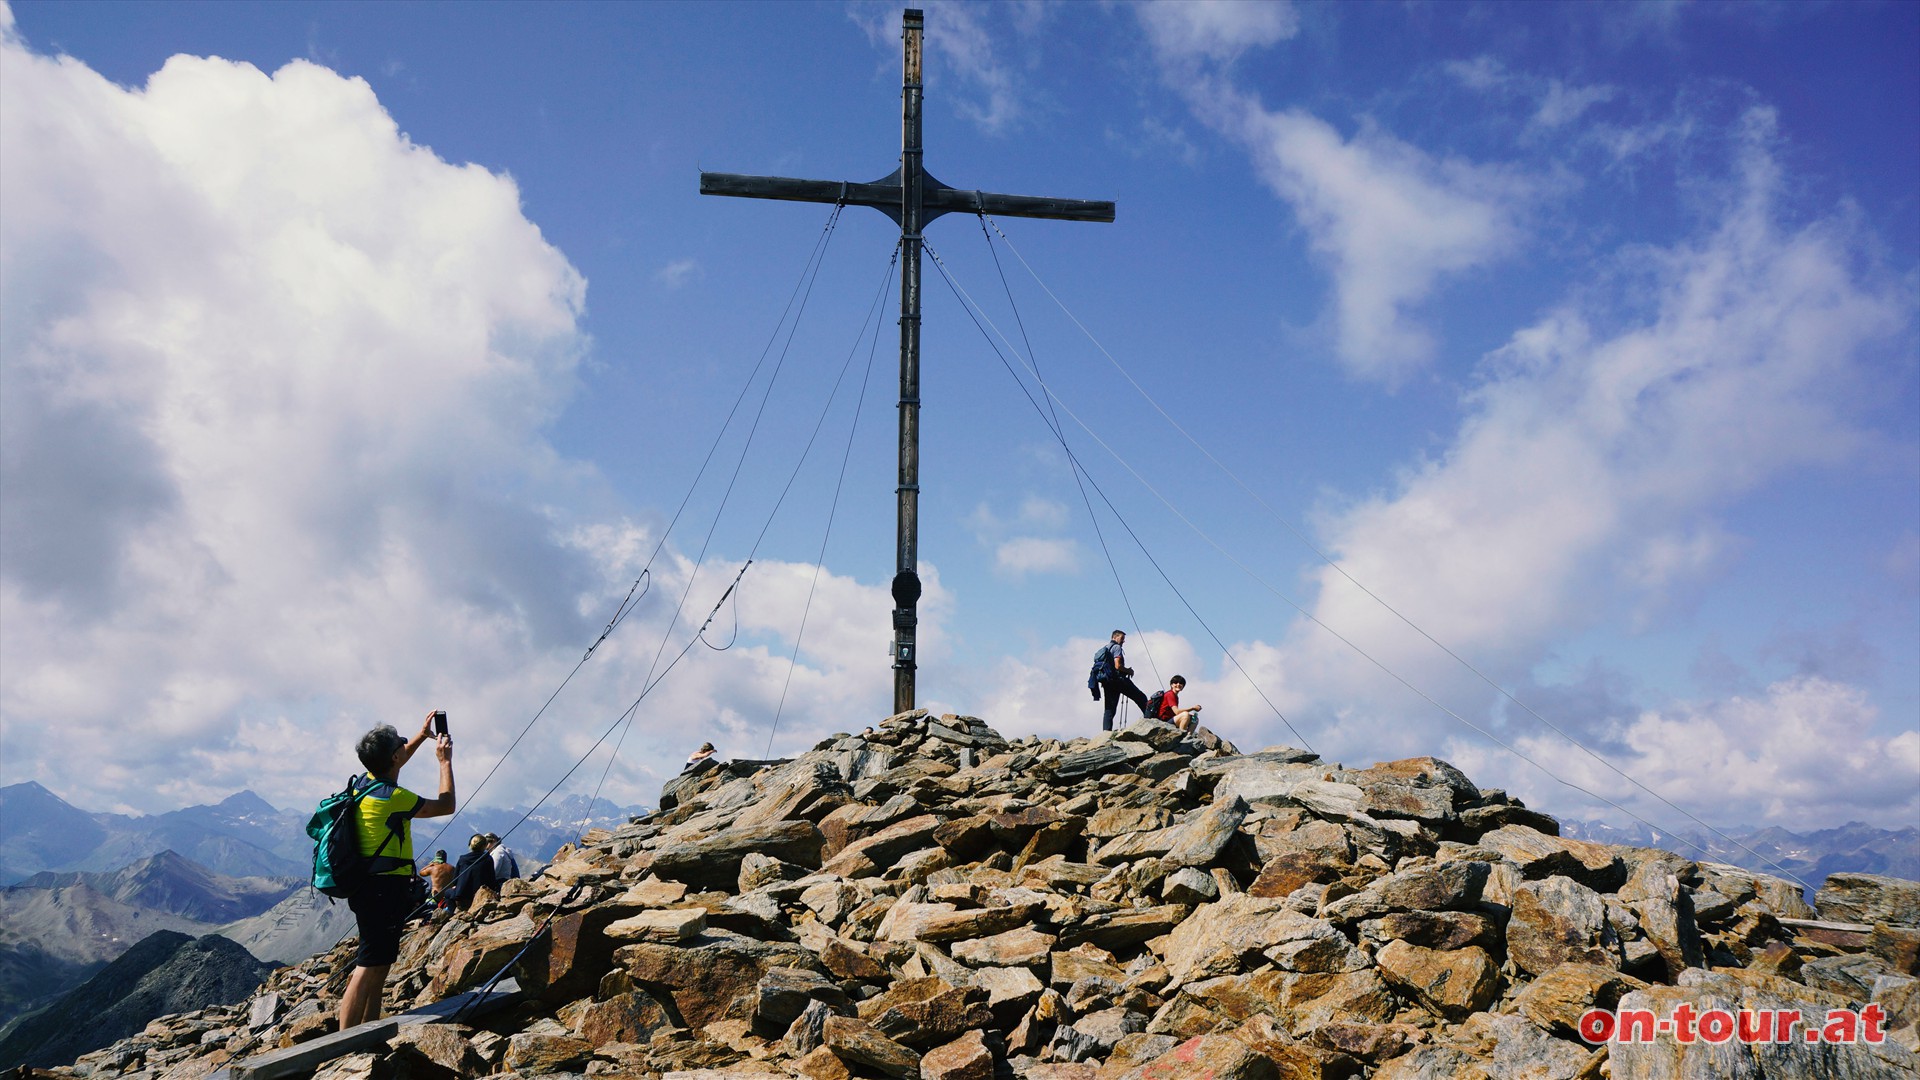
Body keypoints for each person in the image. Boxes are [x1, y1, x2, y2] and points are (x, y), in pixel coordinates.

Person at [338, 712, 454, 1033]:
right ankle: (341, 1043)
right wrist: (444, 761)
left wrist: (419, 736)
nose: (405, 746)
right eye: (400, 745)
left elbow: (394, 761)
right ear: (392, 757)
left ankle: (369, 1031)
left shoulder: (364, 783)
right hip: (383, 889)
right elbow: (446, 805)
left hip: (369, 886)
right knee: (367, 965)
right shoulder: (394, 798)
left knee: (380, 962)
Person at [1095, 629, 1151, 732]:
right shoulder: (1116, 647)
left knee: (1109, 709)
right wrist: (1128, 671)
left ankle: (1106, 733)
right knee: (1141, 698)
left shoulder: (1106, 648)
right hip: (1119, 680)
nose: (1123, 641)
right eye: (1122, 638)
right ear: (1115, 637)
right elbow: (1118, 665)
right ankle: (1151, 722)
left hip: (1107, 682)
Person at [452, 833, 498, 911]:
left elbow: (455, 880)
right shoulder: (487, 858)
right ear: (484, 845)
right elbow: (492, 879)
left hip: (462, 897)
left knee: (447, 893)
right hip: (480, 895)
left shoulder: (462, 859)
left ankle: (451, 914)